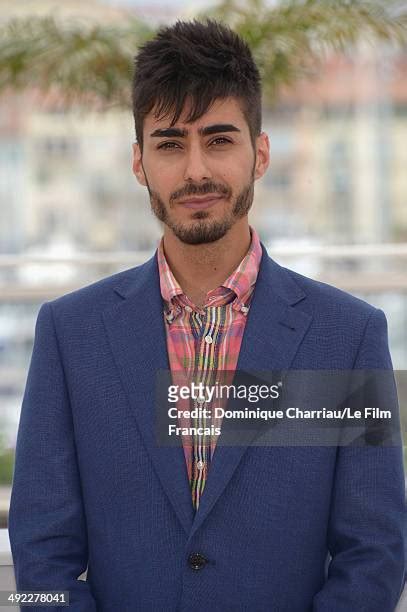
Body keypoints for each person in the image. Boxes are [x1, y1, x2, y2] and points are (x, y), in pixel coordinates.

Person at [8, 18, 406, 612]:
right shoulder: (70, 335)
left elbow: (374, 553)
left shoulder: (347, 335)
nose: (196, 170)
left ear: (260, 153)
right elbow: (41, 554)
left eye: (219, 139)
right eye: (171, 143)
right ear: (139, 162)